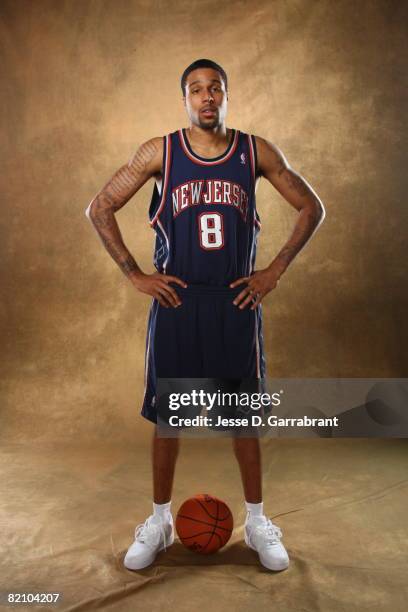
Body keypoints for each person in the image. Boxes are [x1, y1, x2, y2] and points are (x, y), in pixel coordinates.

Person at [85, 58, 325, 572]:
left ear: (227, 95)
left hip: (236, 300)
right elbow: (99, 207)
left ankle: (258, 521)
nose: (207, 97)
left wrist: (275, 269)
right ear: (185, 100)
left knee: (243, 421)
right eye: (196, 89)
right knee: (168, 421)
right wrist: (134, 273)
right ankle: (159, 520)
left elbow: (311, 207)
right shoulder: (161, 152)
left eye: (215, 88)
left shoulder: (254, 151)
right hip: (177, 301)